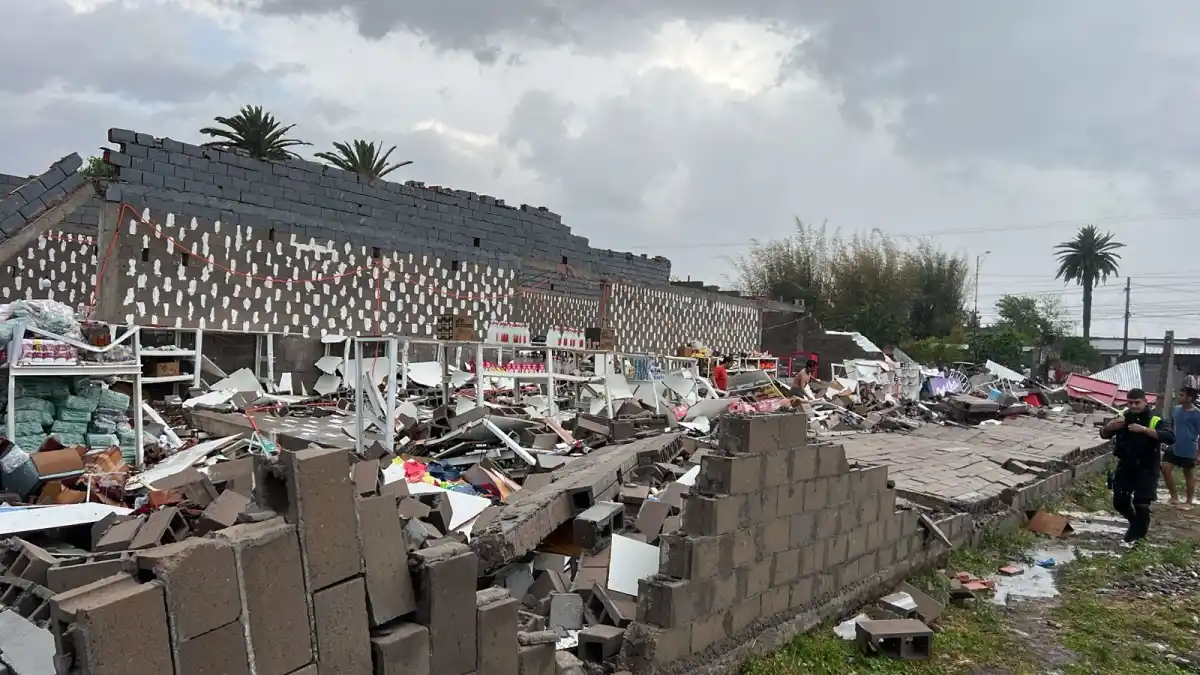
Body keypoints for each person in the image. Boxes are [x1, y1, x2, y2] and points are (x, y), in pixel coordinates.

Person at [1100, 388, 1175, 545]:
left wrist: (1145, 430)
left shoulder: (1154, 418)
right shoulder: (1123, 417)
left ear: (1145, 401)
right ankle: (1135, 525)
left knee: (1141, 503)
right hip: (1126, 465)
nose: (1133, 406)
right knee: (1120, 502)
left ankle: (1139, 538)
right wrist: (1109, 427)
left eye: (1137, 402)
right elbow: (1103, 434)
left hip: (1147, 467)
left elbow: (1169, 437)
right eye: (1130, 402)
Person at [1163, 386, 1200, 507]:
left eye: (1182, 395)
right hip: (1174, 445)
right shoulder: (1175, 409)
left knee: (1188, 473)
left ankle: (1189, 500)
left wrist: (1198, 454)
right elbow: (1172, 426)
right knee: (1165, 469)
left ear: (1190, 398)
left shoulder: (1197, 414)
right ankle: (1174, 497)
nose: (1179, 397)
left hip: (1189, 448)